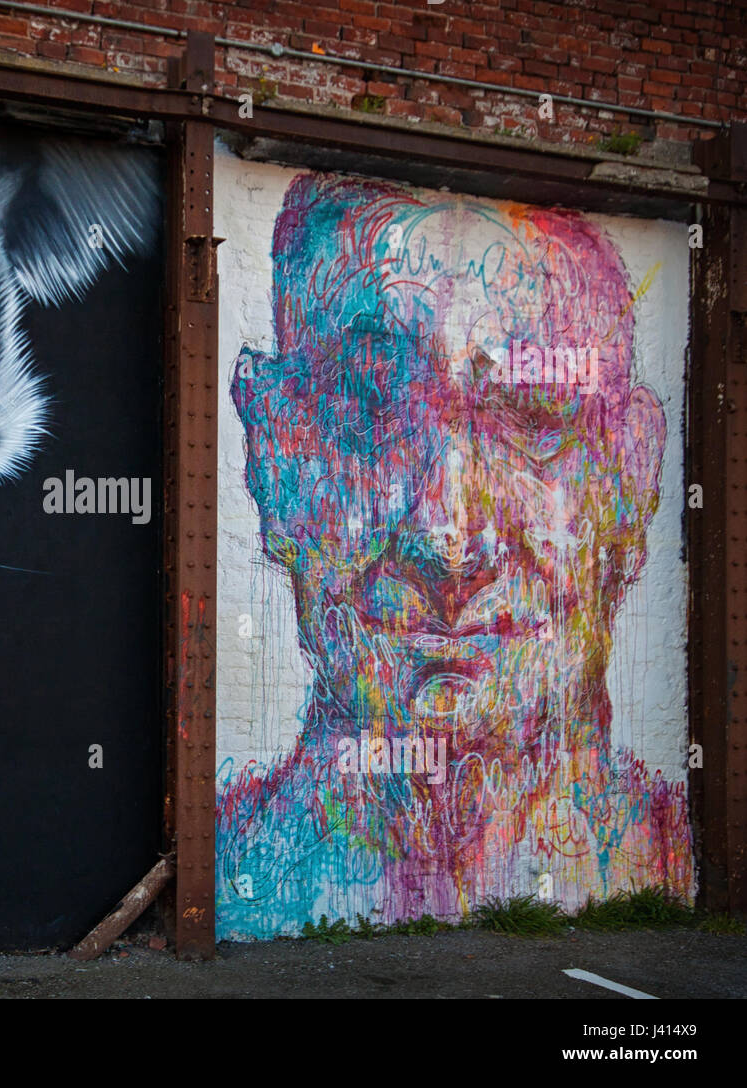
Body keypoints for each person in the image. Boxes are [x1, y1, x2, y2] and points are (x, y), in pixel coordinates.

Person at [218, 172, 693, 936]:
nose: (448, 539)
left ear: (634, 475)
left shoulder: (679, 856)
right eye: (372, 400)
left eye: (535, 415)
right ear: (271, 450)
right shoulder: (226, 859)